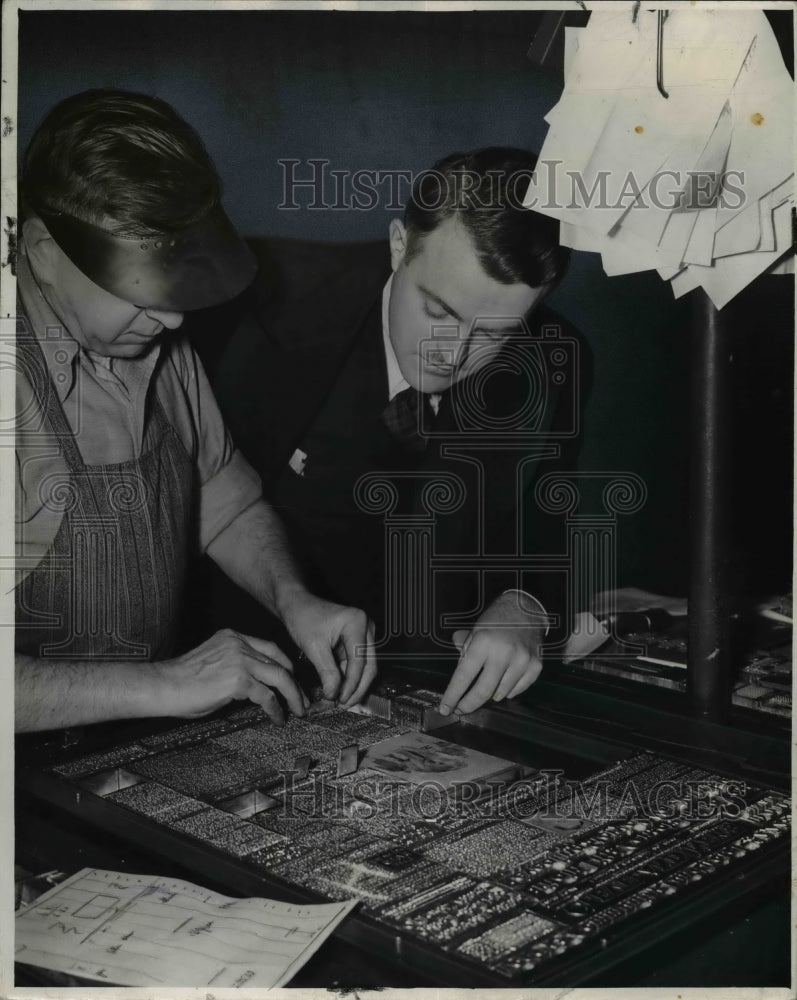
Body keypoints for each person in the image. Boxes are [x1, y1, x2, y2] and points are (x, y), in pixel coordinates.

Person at [14, 89, 376, 734]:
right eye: (138, 288)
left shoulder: (156, 342)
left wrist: (295, 600)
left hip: (129, 737)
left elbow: (223, 499)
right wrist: (167, 681)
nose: (174, 316)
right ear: (44, 252)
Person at [207, 148, 581, 719]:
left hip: (437, 695)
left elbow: (549, 520)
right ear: (399, 244)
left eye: (495, 336)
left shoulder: (555, 363)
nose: (452, 355)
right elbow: (199, 507)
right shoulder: (253, 304)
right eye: (438, 311)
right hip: (246, 682)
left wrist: (525, 604)